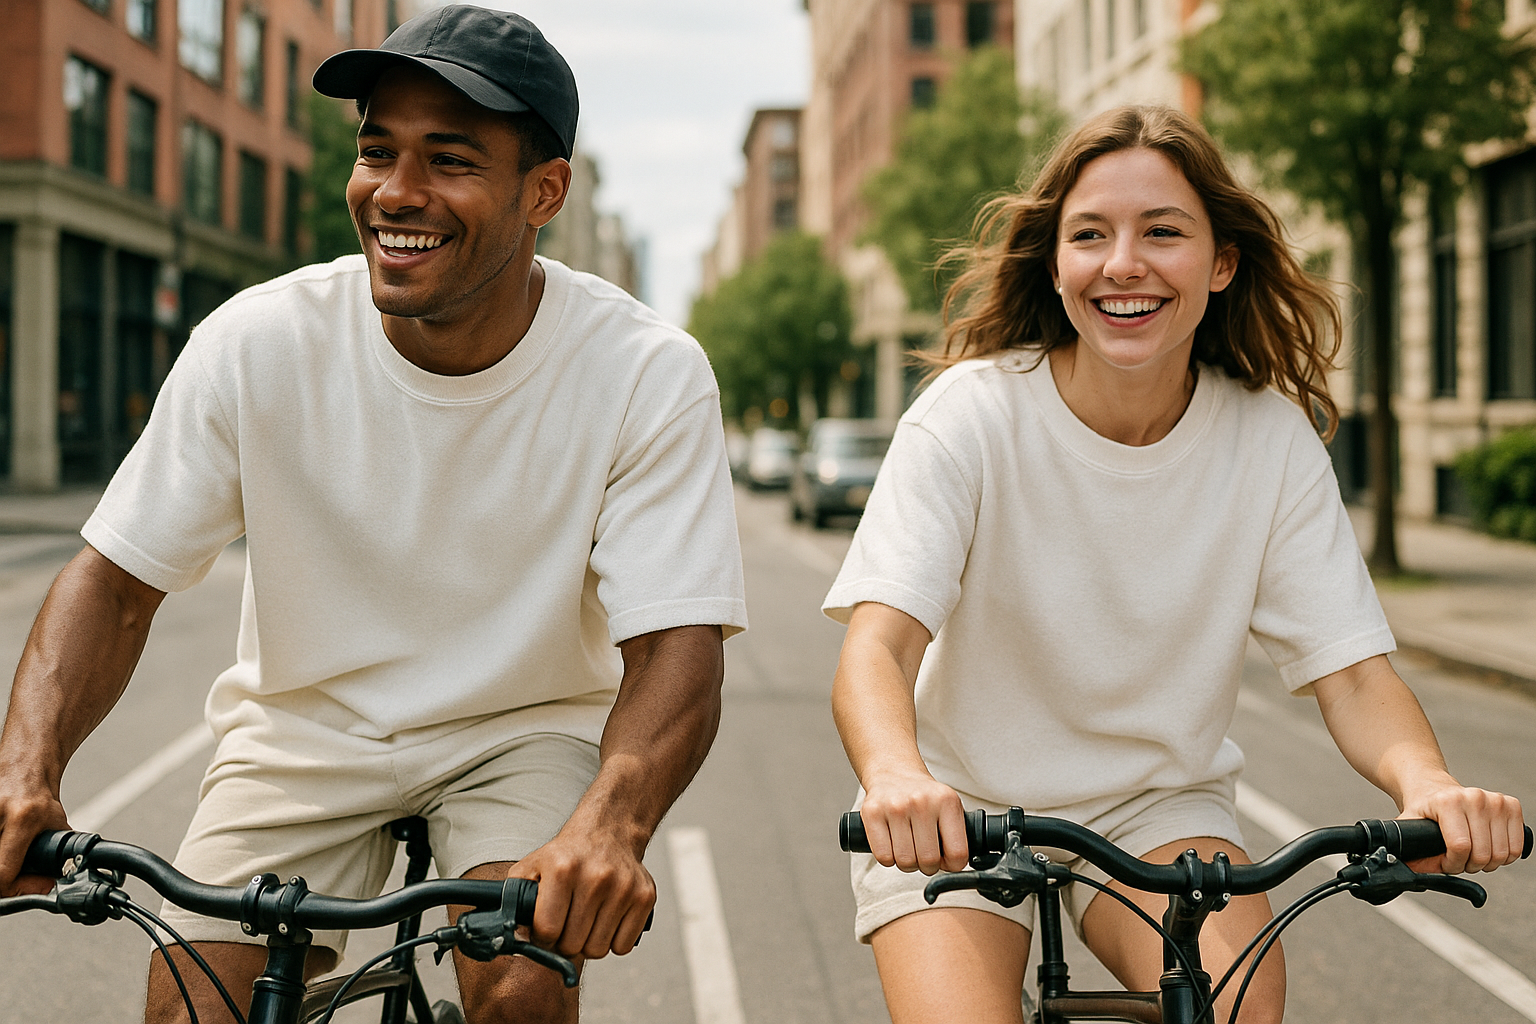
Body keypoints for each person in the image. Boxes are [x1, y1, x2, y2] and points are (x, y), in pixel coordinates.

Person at [0, 6, 747, 1023]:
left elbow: (676, 646)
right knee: (191, 1007)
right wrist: (24, 771)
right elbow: (117, 581)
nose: (397, 192)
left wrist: (610, 826)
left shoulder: (645, 372)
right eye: (376, 150)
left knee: (524, 989)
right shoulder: (257, 342)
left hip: (519, 729)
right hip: (303, 727)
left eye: (449, 159)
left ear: (545, 191)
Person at [824, 105, 1525, 1024]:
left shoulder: (1267, 438)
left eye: (1163, 232)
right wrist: (895, 778)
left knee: (1230, 1008)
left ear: (1221, 263)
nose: (1124, 263)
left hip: (1160, 809)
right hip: (960, 812)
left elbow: (1352, 673)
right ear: (1057, 265)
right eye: (1090, 236)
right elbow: (879, 648)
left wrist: (1428, 788)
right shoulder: (969, 417)